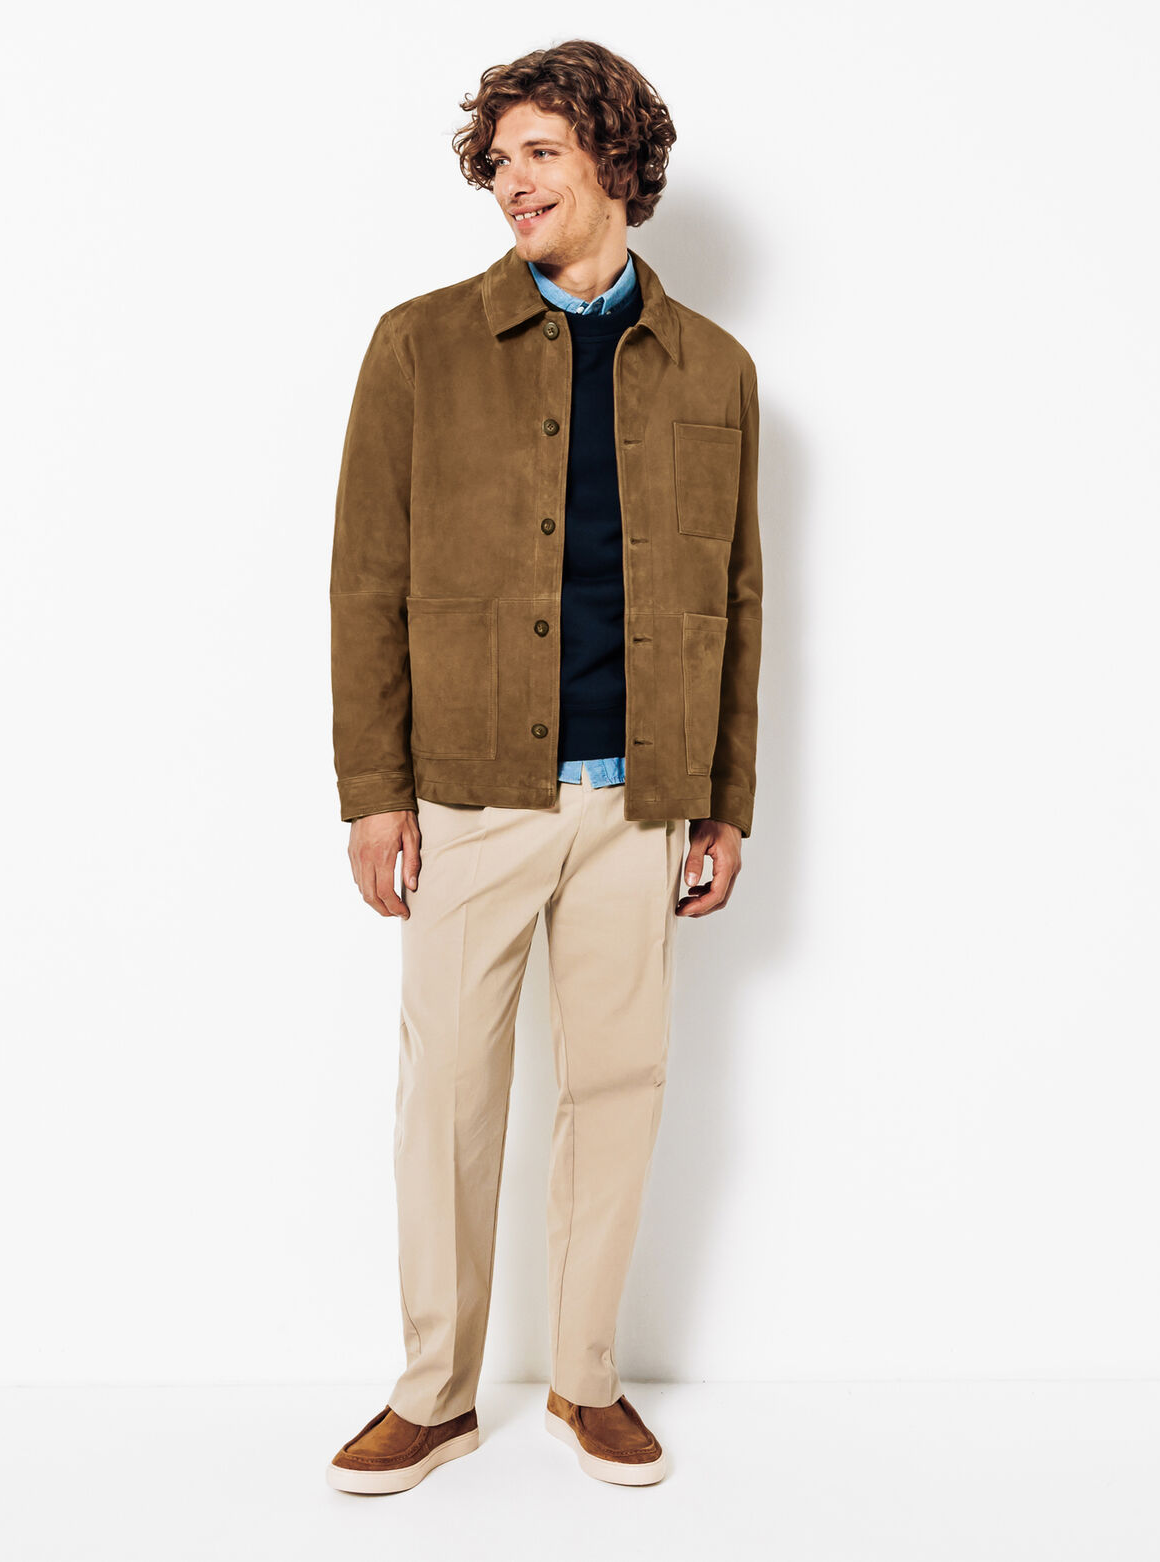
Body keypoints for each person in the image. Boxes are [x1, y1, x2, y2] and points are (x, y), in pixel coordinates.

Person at [324, 37, 763, 1493]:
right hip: (470, 795)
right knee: (447, 1097)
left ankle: (586, 1379)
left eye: (540, 154)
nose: (510, 182)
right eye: (497, 159)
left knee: (618, 1089)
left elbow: (737, 595)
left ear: (614, 164)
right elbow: (364, 582)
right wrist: (374, 790)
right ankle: (434, 1393)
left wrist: (724, 800)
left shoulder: (716, 370)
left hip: (641, 800)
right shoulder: (419, 347)